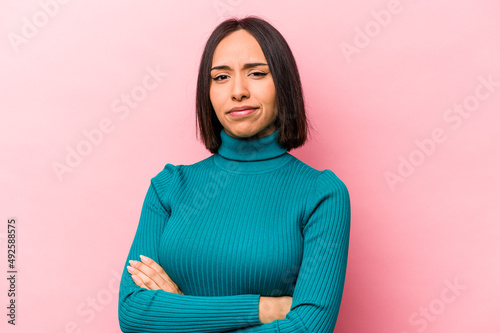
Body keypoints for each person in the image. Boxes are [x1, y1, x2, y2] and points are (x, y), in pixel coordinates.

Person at [118, 16, 350, 333]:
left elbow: (308, 328)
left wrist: (178, 312)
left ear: (283, 82)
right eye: (221, 77)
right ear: (208, 90)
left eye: (256, 73)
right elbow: (133, 314)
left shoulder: (322, 193)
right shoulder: (169, 187)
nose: (238, 91)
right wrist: (266, 308)